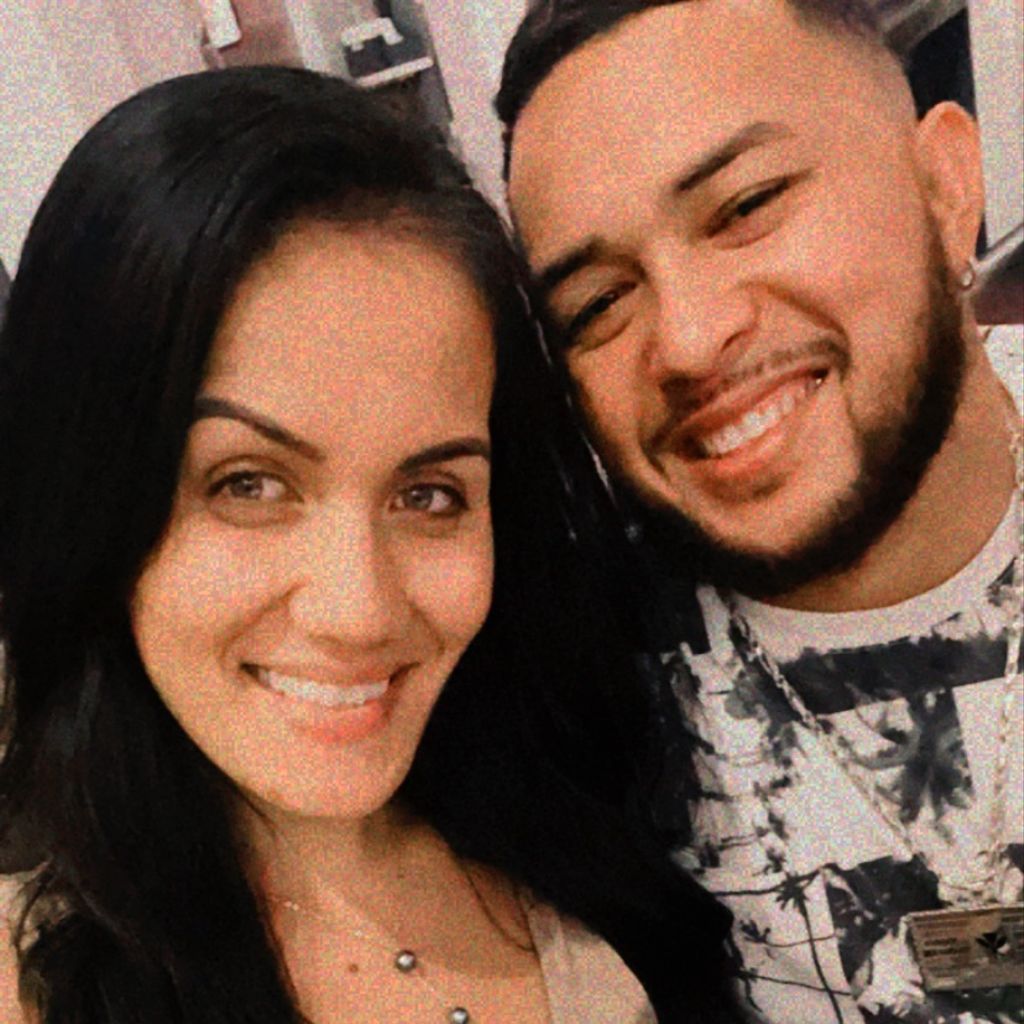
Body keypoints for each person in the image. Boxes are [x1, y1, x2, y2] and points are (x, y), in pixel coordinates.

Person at [0, 67, 752, 1023]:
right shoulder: (35, 982)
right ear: (91, 496)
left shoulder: (609, 805)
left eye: (429, 495)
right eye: (247, 484)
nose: (359, 610)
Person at [497, 2, 1024, 1022]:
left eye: (746, 205)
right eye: (597, 304)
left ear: (944, 184)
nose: (688, 340)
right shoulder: (569, 706)